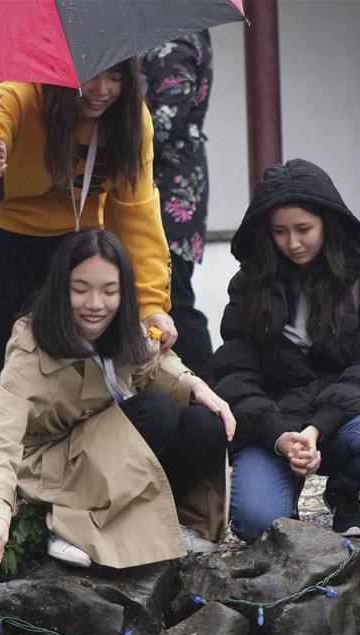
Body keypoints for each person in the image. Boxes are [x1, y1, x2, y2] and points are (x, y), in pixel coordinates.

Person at [0, 229, 235, 570]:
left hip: (108, 451)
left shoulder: (123, 325)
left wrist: (196, 388)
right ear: (61, 289)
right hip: (57, 466)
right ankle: (71, 526)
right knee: (156, 413)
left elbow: (151, 362)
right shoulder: (32, 345)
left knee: (205, 423)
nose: (95, 305)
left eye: (109, 291)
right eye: (80, 290)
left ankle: (170, 520)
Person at [0, 60, 175, 445]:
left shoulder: (133, 120)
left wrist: (152, 303)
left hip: (73, 235)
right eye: (92, 74)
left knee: (74, 361)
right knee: (4, 359)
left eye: (116, 77)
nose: (102, 89)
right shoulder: (21, 91)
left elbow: (136, 213)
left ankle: (62, 471)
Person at [213, 159, 360, 542]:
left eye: (304, 229)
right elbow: (234, 376)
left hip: (339, 423)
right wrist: (280, 435)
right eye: (280, 232)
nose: (293, 243)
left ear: (327, 222)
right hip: (273, 429)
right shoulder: (248, 285)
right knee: (256, 522)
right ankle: (283, 498)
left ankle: (343, 490)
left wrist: (316, 426)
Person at [142, 31, 215, 382]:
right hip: (168, 179)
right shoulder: (178, 29)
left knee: (173, 296)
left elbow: (165, 122)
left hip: (170, 188)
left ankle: (209, 387)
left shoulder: (174, 40)